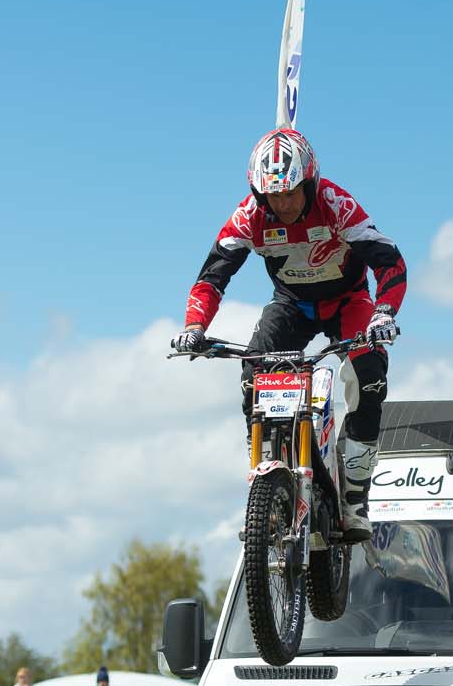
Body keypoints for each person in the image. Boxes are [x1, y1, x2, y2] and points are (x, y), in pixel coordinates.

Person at [170, 128, 407, 536]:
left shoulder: (336, 205)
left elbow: (391, 264)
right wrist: (195, 326)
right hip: (292, 305)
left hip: (348, 301)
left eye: (291, 193)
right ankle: (267, 476)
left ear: (310, 182)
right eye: (272, 196)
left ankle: (354, 497)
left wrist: (383, 314)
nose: (281, 204)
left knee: (369, 378)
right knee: (253, 371)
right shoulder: (250, 216)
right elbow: (211, 278)